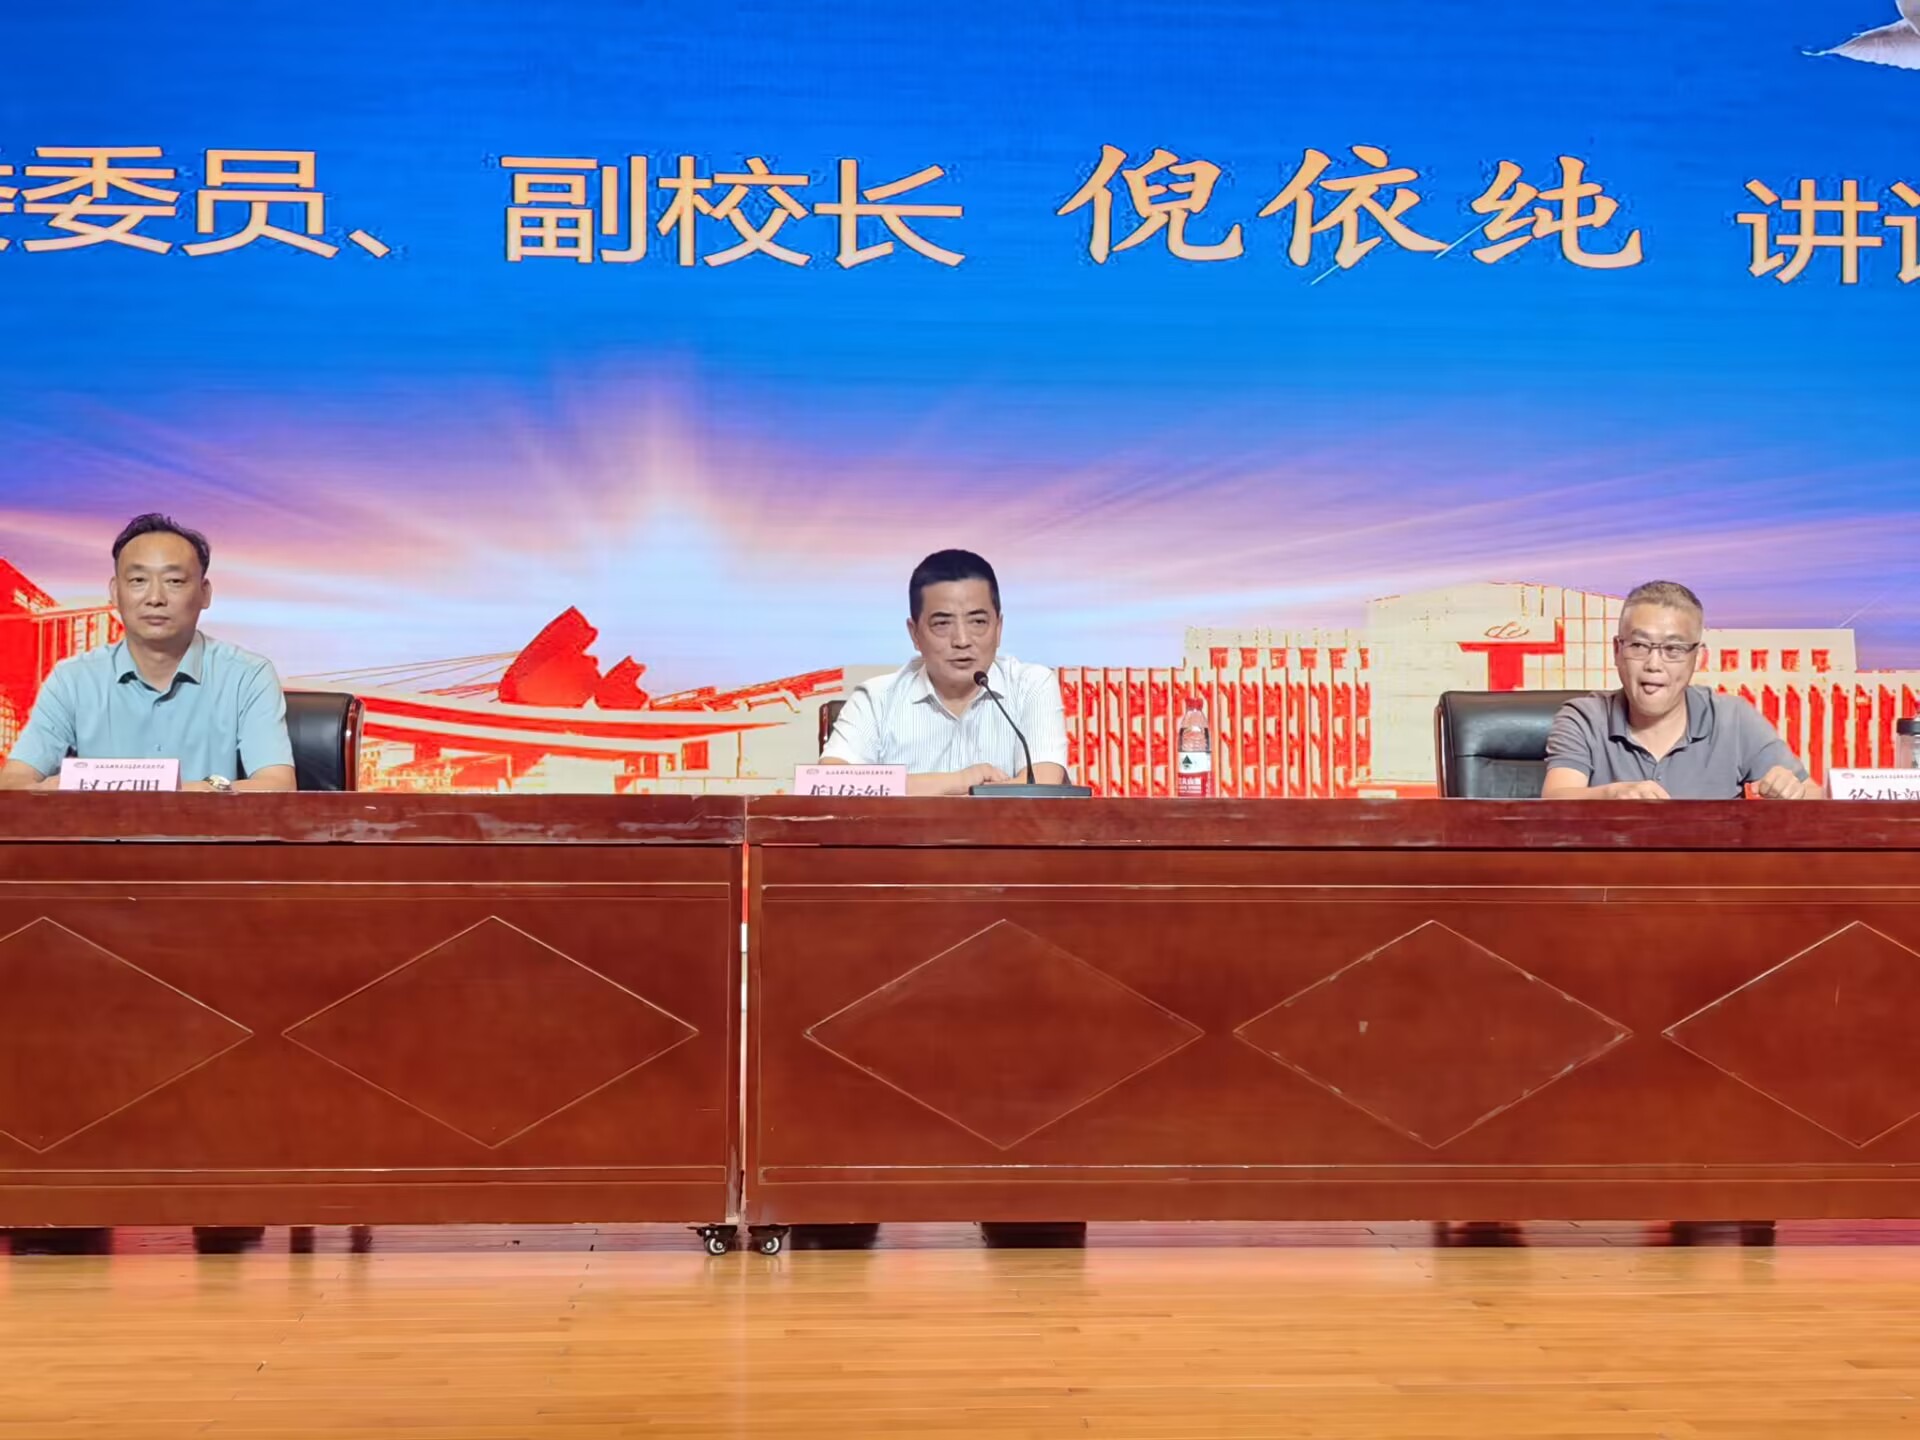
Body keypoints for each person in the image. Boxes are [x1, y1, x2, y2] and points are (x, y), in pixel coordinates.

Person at [1, 514, 295, 794]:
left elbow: (277, 786)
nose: (155, 598)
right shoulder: (72, 679)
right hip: (101, 833)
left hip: (207, 832)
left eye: (174, 581)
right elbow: (13, 782)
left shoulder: (247, 676)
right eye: (138, 580)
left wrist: (154, 792)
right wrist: (50, 791)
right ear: (115, 593)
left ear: (205, 593)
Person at [820, 548, 1071, 794]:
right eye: (942, 623)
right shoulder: (877, 700)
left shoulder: (1030, 686)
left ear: (998, 628)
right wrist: (960, 781)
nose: (962, 640)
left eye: (978, 622)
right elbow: (827, 785)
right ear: (915, 634)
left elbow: (1041, 788)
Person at [1543, 580, 1821, 801]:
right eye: (1639, 645)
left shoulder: (1733, 717)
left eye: (1673, 649)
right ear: (1617, 650)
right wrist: (1612, 794)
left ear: (1698, 658)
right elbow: (1555, 799)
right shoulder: (1584, 717)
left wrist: (1790, 791)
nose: (1654, 664)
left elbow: (1813, 793)